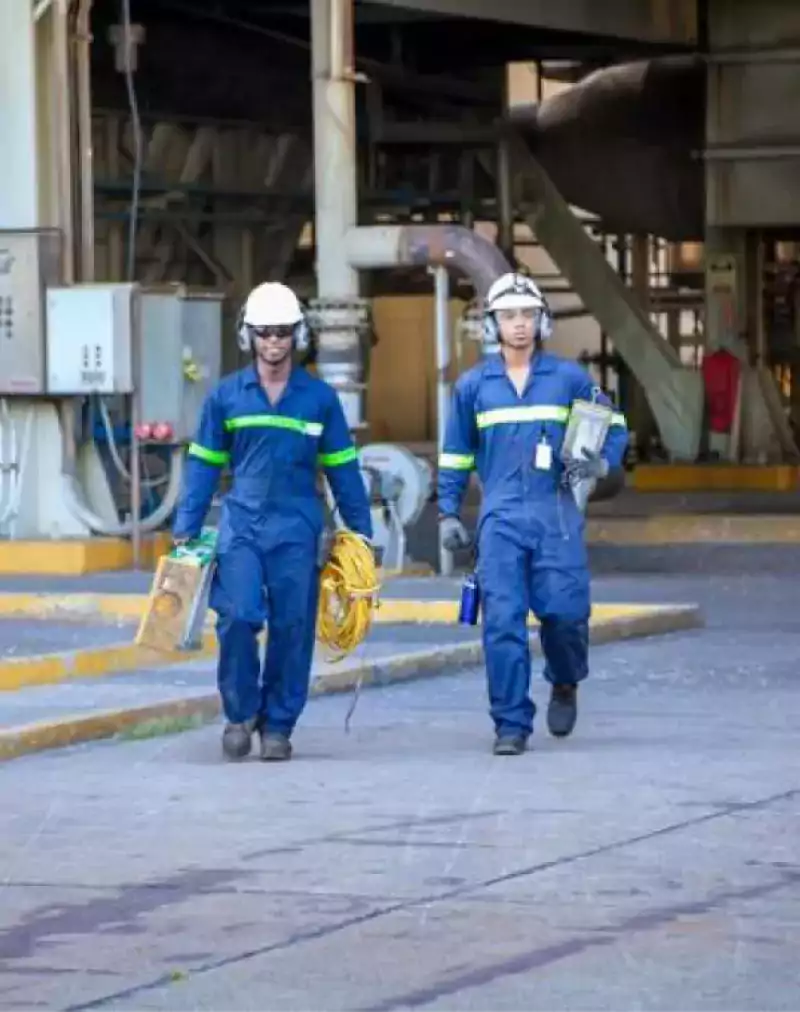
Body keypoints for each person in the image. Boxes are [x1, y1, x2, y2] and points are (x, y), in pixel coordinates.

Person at [172, 281, 373, 762]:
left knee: (292, 625)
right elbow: (203, 464)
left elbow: (343, 466)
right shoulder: (227, 398)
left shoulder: (319, 400)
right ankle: (240, 714)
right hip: (241, 525)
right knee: (238, 617)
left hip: (298, 529)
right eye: (264, 333)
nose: (274, 343)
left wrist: (361, 531)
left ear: (296, 335)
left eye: (282, 332)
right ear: (249, 337)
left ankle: (278, 725)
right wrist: (187, 525)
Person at [437, 272, 628, 756]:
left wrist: (603, 461)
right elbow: (456, 453)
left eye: (526, 315)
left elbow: (615, 425)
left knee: (564, 615)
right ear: (492, 325)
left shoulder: (567, 379)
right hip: (500, 520)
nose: (518, 325)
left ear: (541, 321)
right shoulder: (474, 387)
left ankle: (564, 681)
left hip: (557, 517)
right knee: (501, 622)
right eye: (508, 316)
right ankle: (511, 723)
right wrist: (448, 512)